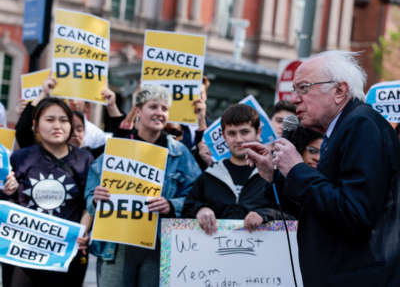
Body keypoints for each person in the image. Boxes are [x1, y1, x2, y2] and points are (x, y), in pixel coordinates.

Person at [244, 51, 400, 286]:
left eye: (304, 88)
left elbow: (355, 213)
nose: (295, 98)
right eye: (294, 90)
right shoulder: (343, 128)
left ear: (339, 91)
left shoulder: (361, 126)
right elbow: (317, 210)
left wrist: (297, 168)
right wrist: (275, 175)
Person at [85, 85, 201, 287]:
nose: (159, 113)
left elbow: (197, 194)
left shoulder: (180, 154)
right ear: (138, 111)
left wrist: (172, 205)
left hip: (158, 245)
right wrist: (96, 198)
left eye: (164, 109)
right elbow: (90, 196)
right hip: (117, 245)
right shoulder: (117, 148)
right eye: (153, 106)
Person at [7, 97, 93, 287]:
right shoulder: (21, 157)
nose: (57, 126)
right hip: (24, 253)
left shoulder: (85, 159)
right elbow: (7, 204)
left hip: (66, 253)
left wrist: (83, 232)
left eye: (63, 120)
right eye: (50, 119)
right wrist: (8, 189)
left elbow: (90, 203)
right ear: (36, 125)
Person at [182, 104, 291, 234]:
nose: (239, 139)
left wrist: (265, 215)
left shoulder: (276, 175)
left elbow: (294, 215)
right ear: (223, 136)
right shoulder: (208, 176)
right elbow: (185, 212)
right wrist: (200, 210)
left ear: (258, 132)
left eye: (244, 132)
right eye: (232, 133)